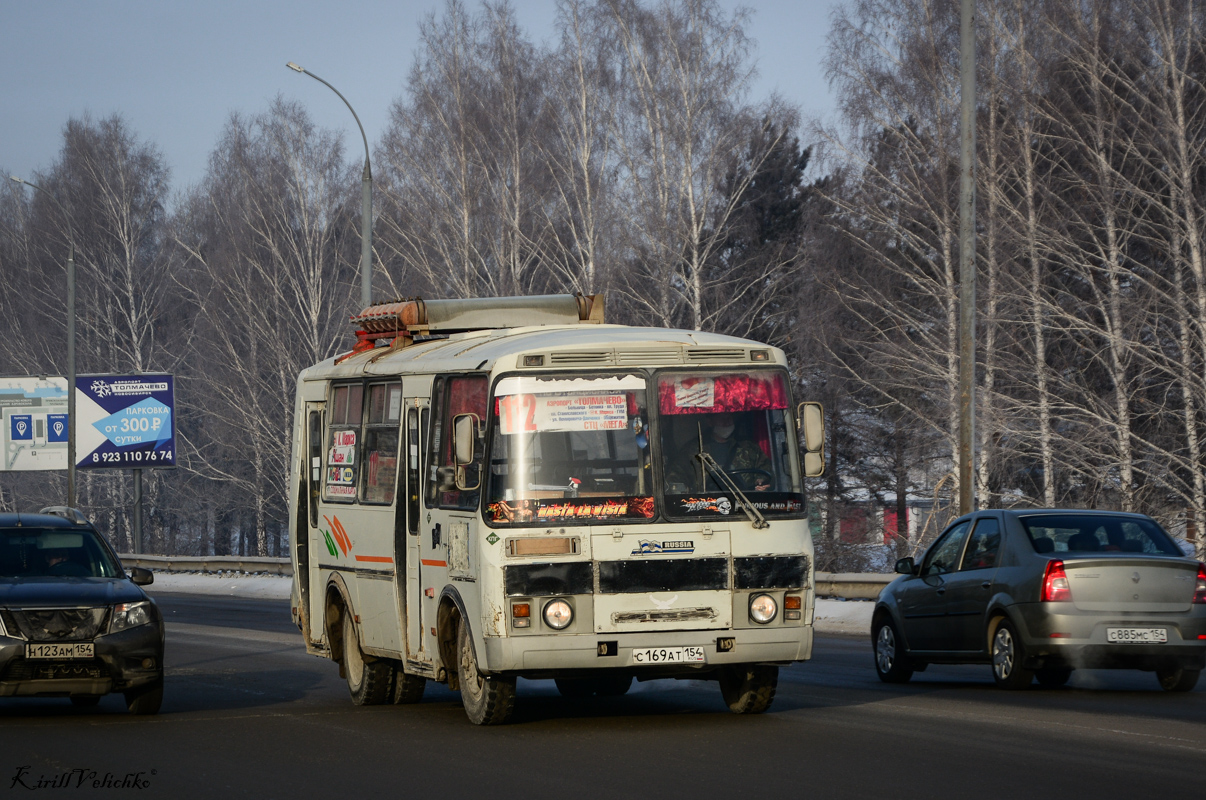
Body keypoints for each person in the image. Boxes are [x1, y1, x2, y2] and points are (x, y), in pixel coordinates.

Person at [668, 412, 772, 492]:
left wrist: (762, 482)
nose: (727, 423)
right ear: (710, 422)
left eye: (729, 418)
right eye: (722, 419)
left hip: (746, 505)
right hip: (705, 507)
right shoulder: (694, 449)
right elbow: (675, 477)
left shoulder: (749, 447)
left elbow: (765, 471)